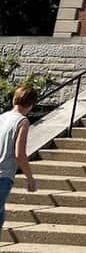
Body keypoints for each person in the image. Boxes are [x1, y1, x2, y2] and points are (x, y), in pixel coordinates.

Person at [0, 85, 38, 237]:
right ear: (30, 104)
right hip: (3, 175)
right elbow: (19, 154)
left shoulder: (2, 117)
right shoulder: (22, 121)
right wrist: (30, 178)